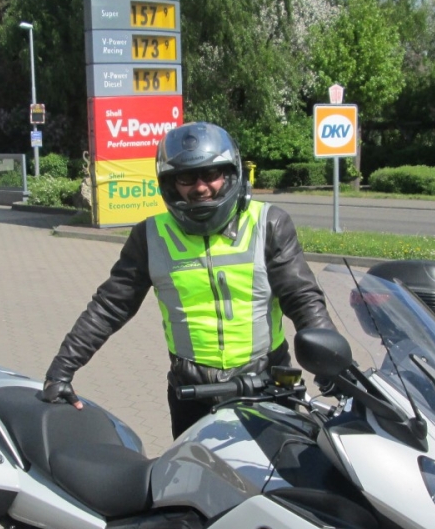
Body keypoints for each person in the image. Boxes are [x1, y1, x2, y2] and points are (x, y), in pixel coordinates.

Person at [41, 122, 335, 438]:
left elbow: (302, 298)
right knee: (190, 469)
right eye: (187, 178)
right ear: (170, 183)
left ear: (231, 174)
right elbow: (110, 306)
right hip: (193, 393)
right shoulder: (150, 236)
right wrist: (61, 371)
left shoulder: (269, 223)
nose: (200, 187)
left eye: (211, 174)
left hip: (265, 385)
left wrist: (334, 367)